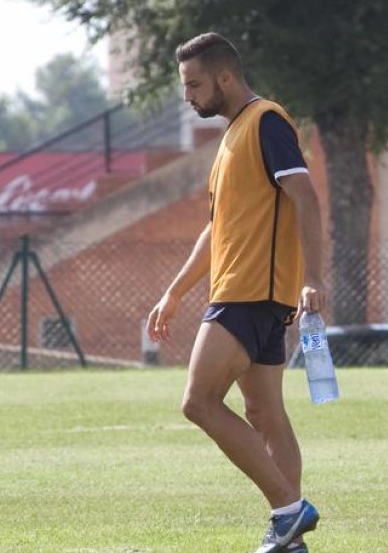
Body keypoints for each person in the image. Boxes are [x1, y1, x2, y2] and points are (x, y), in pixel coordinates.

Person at [145, 32, 326, 553]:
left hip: (250, 293)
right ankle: (289, 536)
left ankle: (289, 510)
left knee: (198, 401)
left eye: (194, 84)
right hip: (248, 292)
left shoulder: (266, 120)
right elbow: (215, 229)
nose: (188, 96)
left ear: (225, 77)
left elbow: (305, 199)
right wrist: (175, 292)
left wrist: (314, 277)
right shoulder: (230, 137)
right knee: (265, 414)